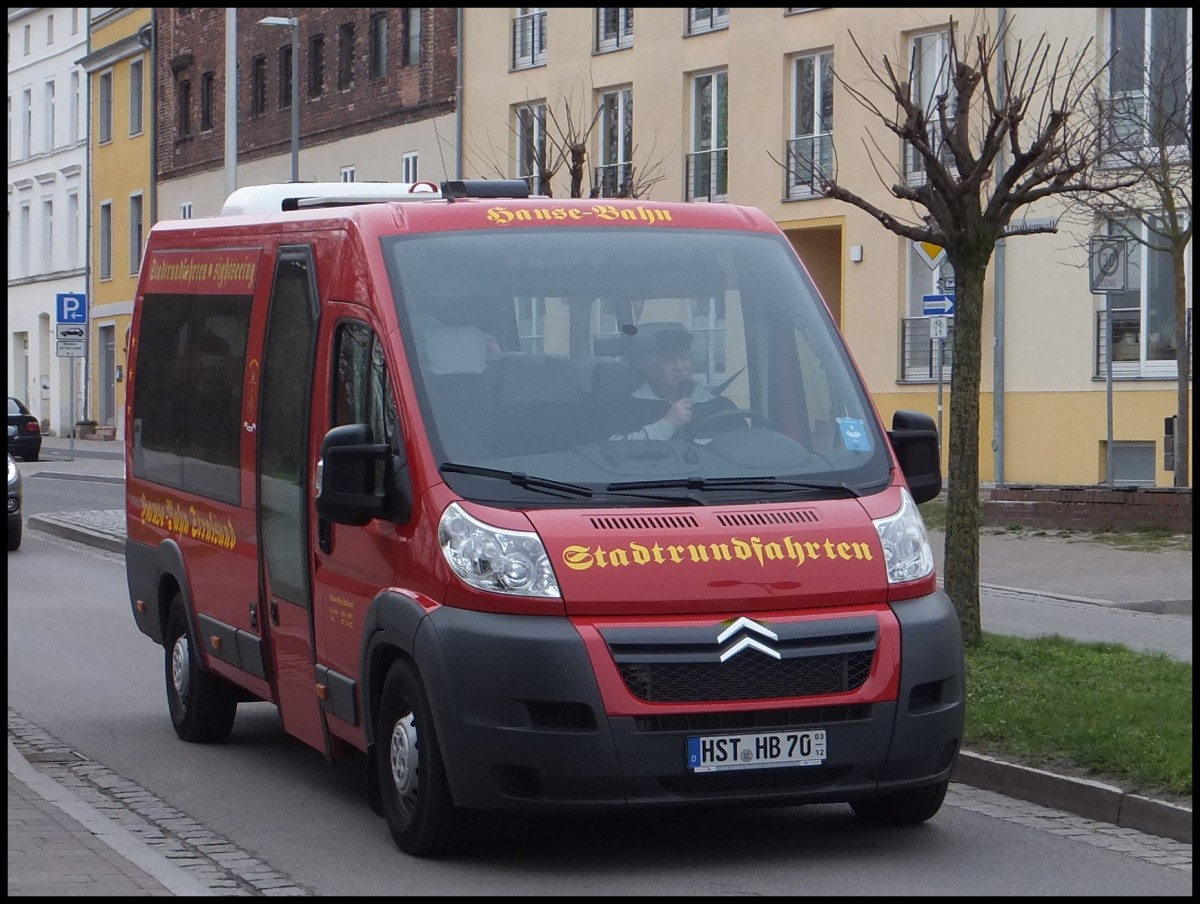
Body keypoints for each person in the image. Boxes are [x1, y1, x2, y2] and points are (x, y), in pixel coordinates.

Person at [607, 326, 736, 440]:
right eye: (669, 360)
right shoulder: (626, 408)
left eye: (683, 357)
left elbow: (741, 448)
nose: (679, 366)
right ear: (649, 367)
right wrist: (668, 424)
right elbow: (614, 451)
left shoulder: (722, 408)